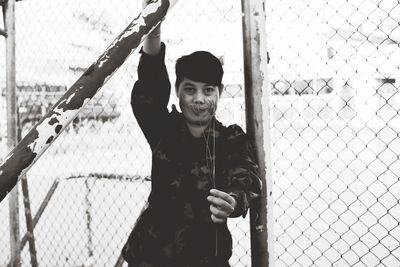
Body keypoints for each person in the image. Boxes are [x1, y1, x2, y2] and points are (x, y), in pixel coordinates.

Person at [122, 2, 262, 266]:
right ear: (177, 90)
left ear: (220, 91)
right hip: (151, 255)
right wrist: (153, 26)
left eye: (208, 90)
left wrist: (234, 201)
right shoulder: (163, 129)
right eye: (190, 89)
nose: (199, 100)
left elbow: (248, 178)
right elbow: (149, 89)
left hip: (207, 257)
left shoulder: (231, 139)